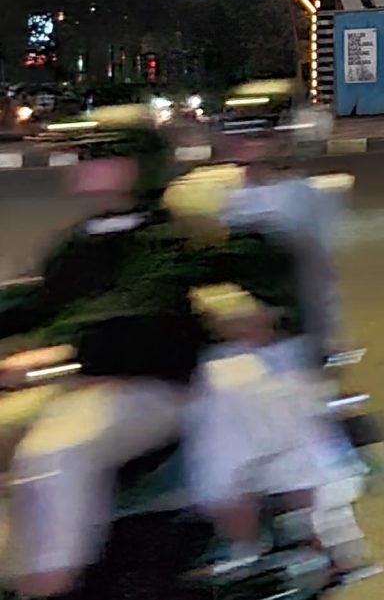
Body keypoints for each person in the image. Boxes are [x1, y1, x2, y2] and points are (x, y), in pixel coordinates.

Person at [0, 112, 305, 595]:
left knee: (56, 453)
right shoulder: (83, 240)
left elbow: (140, 309)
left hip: (149, 390)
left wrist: (57, 352)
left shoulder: (170, 239)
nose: (83, 163)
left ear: (136, 165)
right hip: (79, 386)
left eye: (101, 154)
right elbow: (37, 302)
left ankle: (47, 585)